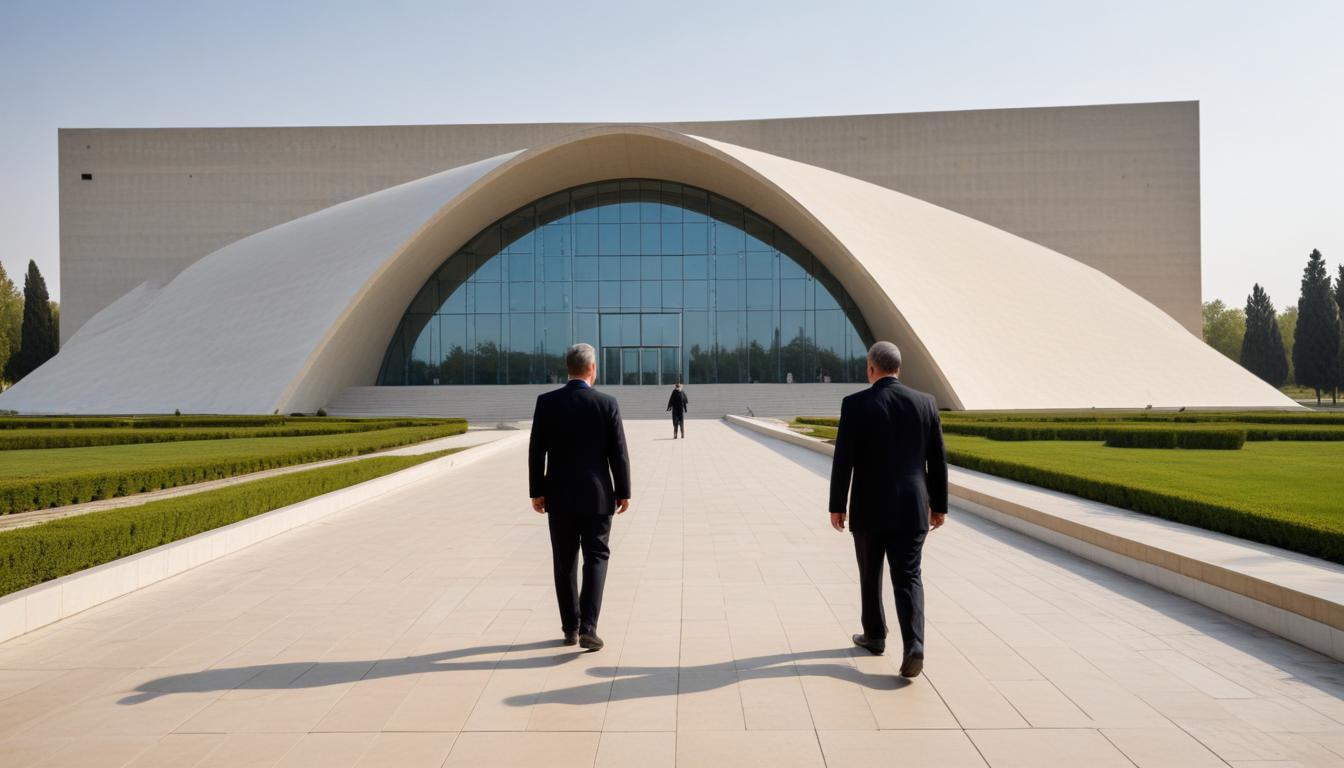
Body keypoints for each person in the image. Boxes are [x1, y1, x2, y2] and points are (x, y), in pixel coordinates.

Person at [828, 341, 947, 678]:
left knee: (870, 573)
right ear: (899, 368)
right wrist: (938, 506)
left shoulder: (855, 404)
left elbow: (843, 461)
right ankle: (915, 644)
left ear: (871, 368)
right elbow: (937, 460)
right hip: (912, 505)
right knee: (908, 575)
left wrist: (837, 505)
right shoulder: (925, 403)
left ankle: (875, 635)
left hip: (868, 505)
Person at [529, 343, 631, 651]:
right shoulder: (607, 403)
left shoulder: (546, 402)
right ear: (592, 369)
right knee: (596, 558)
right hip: (599, 496)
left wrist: (537, 491)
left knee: (564, 562)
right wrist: (624, 491)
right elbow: (619, 453)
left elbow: (537, 451)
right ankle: (589, 626)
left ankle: (570, 628)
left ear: (568, 368)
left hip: (559, 497)